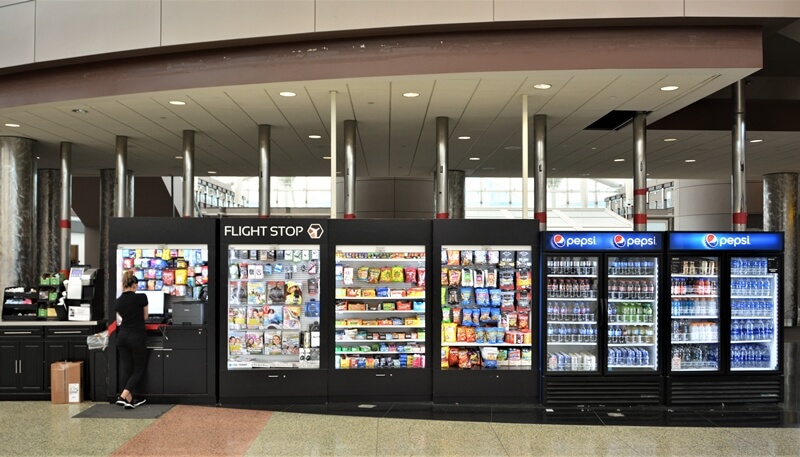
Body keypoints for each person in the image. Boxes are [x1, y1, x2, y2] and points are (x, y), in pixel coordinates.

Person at [114, 270, 148, 409]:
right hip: (137, 337)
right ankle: (122, 396)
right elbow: (145, 317)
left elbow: (122, 318)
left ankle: (129, 401)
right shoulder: (141, 298)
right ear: (134, 285)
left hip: (122, 337)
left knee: (127, 369)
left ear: (123, 285)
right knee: (138, 369)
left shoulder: (118, 302)